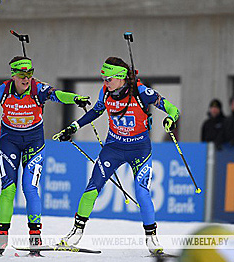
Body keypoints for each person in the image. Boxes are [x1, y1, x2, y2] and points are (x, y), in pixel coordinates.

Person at [52, 57, 180, 256]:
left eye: (108, 79)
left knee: (142, 192)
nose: (105, 83)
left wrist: (171, 118)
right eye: (103, 78)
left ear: (121, 78)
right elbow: (95, 111)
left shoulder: (141, 92)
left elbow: (172, 108)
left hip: (140, 151)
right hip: (113, 148)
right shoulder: (105, 92)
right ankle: (74, 234)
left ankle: (152, 240)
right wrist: (73, 127)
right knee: (92, 186)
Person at [0, 56, 91, 257]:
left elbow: (57, 94)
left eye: (30, 74)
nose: (27, 79)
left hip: (34, 142)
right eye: (22, 75)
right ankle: (1, 239)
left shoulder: (38, 89)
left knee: (30, 188)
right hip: (9, 142)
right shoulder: (3, 91)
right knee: (8, 189)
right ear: (13, 75)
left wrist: (75, 98)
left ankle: (35, 238)